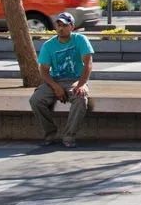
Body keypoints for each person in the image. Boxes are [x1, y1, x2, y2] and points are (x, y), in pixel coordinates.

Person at [30, 12, 94, 148]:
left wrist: (81, 84)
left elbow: (88, 64)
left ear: (72, 26)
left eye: (64, 25)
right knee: (36, 100)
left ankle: (69, 135)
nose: (60, 28)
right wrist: (55, 87)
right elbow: (44, 71)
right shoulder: (49, 45)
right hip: (55, 80)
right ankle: (50, 133)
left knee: (81, 98)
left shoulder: (80, 40)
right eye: (58, 25)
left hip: (76, 80)